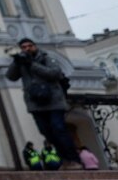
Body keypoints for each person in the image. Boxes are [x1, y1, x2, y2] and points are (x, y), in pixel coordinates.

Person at [5, 38, 83, 169]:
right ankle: (64, 159)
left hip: (54, 101)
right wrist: (16, 61)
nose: (27, 49)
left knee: (58, 128)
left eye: (30, 46)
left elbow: (54, 73)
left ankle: (74, 159)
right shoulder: (22, 62)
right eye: (23, 47)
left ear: (35, 46)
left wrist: (31, 64)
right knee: (46, 131)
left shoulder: (47, 58)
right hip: (35, 104)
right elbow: (10, 77)